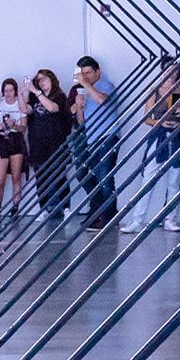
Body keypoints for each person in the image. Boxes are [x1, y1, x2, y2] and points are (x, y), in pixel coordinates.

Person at [122, 64, 180, 234]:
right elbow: (147, 118)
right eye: (168, 71)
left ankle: (170, 218)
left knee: (175, 180)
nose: (172, 75)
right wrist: (161, 122)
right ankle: (137, 219)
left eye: (174, 71)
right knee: (148, 179)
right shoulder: (154, 90)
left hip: (178, 137)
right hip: (159, 137)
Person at [72, 55, 119, 230]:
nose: (85, 77)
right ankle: (98, 209)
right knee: (86, 175)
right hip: (92, 139)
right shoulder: (87, 91)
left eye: (88, 73)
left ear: (97, 72)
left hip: (107, 136)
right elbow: (82, 122)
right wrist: (79, 106)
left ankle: (108, 215)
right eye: (83, 73)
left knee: (105, 176)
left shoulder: (105, 85)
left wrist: (85, 85)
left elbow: (102, 100)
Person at [26, 69, 73, 219]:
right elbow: (25, 110)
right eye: (39, 80)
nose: (41, 82)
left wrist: (36, 92)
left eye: (44, 79)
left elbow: (52, 108)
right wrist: (22, 93)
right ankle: (44, 208)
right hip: (38, 143)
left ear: (51, 79)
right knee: (41, 177)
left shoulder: (59, 96)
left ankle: (66, 207)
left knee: (59, 174)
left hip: (56, 142)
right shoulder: (34, 98)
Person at [0, 77, 27, 217]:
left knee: (16, 176)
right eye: (6, 91)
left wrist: (14, 125)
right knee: (0, 179)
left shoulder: (20, 105)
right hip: (2, 140)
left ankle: (15, 207)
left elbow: (23, 128)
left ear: (15, 91)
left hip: (16, 139)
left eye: (11, 90)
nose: (8, 93)